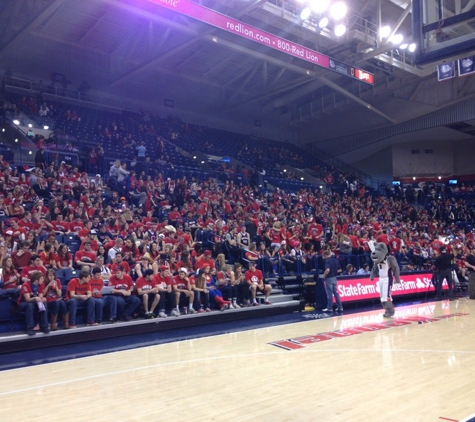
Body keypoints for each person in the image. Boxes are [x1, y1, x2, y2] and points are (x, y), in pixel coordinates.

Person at [17, 271, 50, 335]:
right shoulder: (26, 285)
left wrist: (42, 299)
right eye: (41, 279)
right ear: (36, 280)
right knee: (29, 305)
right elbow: (27, 299)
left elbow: (40, 296)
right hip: (23, 303)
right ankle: (30, 328)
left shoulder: (41, 285)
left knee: (44, 303)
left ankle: (44, 326)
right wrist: (35, 298)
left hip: (34, 302)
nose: (43, 280)